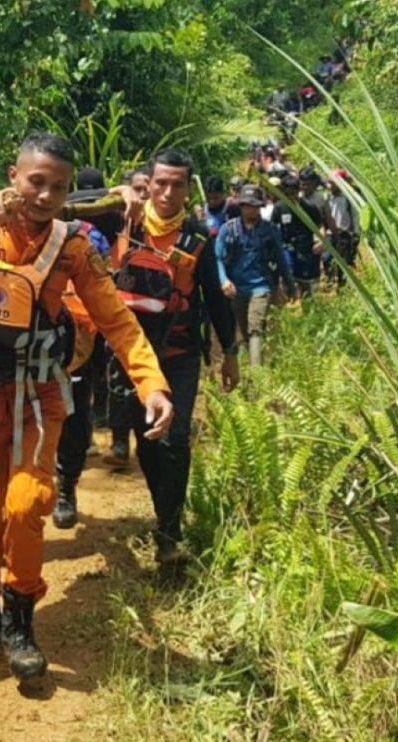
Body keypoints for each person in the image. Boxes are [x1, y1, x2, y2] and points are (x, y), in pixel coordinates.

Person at [0, 132, 173, 683]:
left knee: (26, 506)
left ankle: (20, 621)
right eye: (36, 182)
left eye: (57, 187)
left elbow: (116, 320)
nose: (45, 195)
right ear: (14, 176)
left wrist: (151, 385)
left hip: (38, 399)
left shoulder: (74, 246)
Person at [107, 149, 240, 566]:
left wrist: (230, 352)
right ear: (149, 181)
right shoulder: (122, 218)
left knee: (175, 438)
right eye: (160, 183)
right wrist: (116, 190)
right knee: (146, 440)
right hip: (129, 354)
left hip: (179, 354)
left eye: (177, 184)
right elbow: (65, 203)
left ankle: (169, 533)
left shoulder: (199, 237)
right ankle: (162, 510)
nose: (167, 192)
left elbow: (215, 300)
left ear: (188, 187)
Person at [52, 166, 119, 528]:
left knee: (75, 418)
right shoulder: (13, 234)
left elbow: (103, 285)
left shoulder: (87, 238)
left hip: (79, 339)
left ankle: (66, 486)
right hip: (27, 347)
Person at [217, 184, 298, 367]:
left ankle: (257, 381)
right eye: (247, 205)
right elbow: (218, 258)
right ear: (241, 206)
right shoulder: (228, 230)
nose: (251, 209)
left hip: (261, 287)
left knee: (255, 328)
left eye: (255, 206)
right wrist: (224, 280)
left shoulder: (270, 231)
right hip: (236, 289)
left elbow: (281, 258)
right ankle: (259, 363)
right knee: (245, 332)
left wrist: (290, 285)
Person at [273, 172, 326, 296]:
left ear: (299, 191)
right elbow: (272, 228)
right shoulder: (279, 208)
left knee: (306, 284)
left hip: (306, 250)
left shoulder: (310, 207)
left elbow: (320, 226)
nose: (291, 197)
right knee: (287, 276)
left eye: (294, 193)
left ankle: (307, 308)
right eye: (287, 194)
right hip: (287, 248)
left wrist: (321, 241)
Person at [326, 169, 360, 286]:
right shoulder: (328, 197)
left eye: (332, 183)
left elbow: (355, 217)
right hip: (330, 233)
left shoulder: (348, 198)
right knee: (326, 258)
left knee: (343, 262)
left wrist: (356, 234)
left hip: (344, 234)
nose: (330, 186)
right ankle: (329, 280)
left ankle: (341, 285)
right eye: (329, 183)